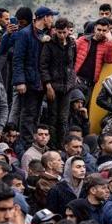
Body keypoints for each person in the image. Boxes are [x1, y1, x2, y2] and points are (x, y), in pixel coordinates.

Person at [13, 6, 55, 146]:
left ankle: (32, 144)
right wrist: (20, 81)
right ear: (44, 17)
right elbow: (18, 59)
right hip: (29, 80)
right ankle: (25, 146)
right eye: (51, 17)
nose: (52, 20)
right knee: (27, 115)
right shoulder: (24, 34)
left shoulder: (47, 33)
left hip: (41, 81)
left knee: (36, 114)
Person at [40, 18, 77, 148]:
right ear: (55, 31)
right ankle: (52, 145)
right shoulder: (49, 44)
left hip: (67, 86)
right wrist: (48, 85)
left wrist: (73, 78)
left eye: (64, 32)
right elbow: (43, 66)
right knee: (53, 117)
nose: (62, 35)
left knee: (63, 118)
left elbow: (73, 63)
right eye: (59, 32)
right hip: (53, 86)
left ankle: (62, 146)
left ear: (68, 31)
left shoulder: (72, 44)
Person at [75, 18, 112, 102]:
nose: (101, 32)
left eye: (104, 30)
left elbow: (109, 60)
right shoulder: (83, 40)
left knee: (84, 108)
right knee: (74, 106)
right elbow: (70, 57)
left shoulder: (107, 44)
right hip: (77, 80)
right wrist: (72, 75)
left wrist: (110, 41)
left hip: (91, 84)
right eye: (99, 29)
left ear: (108, 31)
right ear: (94, 29)